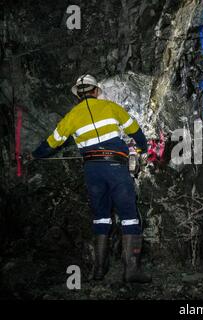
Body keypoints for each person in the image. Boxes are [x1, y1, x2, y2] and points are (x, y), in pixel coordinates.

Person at [31, 74, 151, 283]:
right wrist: (142, 148)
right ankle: (131, 271)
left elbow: (51, 144)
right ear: (96, 91)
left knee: (100, 216)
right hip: (115, 167)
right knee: (129, 215)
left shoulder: (71, 116)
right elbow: (136, 132)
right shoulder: (111, 108)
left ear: (78, 95)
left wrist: (34, 155)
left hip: (92, 171)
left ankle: (98, 270)